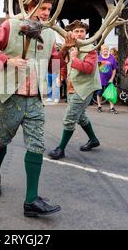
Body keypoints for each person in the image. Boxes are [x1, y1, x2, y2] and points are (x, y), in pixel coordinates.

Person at [0, 0, 63, 218]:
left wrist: (65, 52)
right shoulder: (10, 26)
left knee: (37, 145)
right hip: (10, 96)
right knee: (0, 141)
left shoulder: (48, 34)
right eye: (43, 8)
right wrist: (8, 60)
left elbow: (52, 63)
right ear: (30, 7)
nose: (46, 13)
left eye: (49, 9)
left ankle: (31, 201)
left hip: (35, 98)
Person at [48, 20, 102, 160]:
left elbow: (88, 69)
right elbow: (63, 63)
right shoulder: (71, 47)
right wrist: (61, 75)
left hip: (84, 88)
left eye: (82, 31)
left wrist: (74, 57)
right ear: (71, 33)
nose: (79, 33)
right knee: (81, 116)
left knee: (70, 118)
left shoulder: (91, 48)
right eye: (76, 31)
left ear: (86, 33)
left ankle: (61, 149)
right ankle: (93, 140)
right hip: (72, 87)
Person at [96, 44, 118, 114]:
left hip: (110, 79)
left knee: (110, 93)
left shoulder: (112, 58)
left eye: (106, 49)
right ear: (101, 51)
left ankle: (112, 107)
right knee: (99, 93)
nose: (105, 50)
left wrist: (112, 78)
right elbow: (95, 69)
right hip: (100, 79)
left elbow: (114, 69)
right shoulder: (98, 58)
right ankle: (99, 106)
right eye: (104, 49)